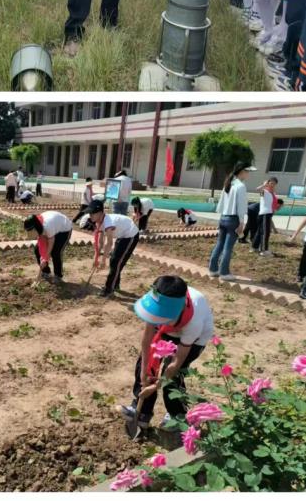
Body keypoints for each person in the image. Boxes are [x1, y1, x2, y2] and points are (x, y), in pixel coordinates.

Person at [123, 275, 214, 428]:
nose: (158, 316)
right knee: (145, 366)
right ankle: (142, 412)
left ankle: (177, 415)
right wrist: (144, 372)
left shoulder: (194, 322)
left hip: (193, 341)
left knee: (173, 379)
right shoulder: (157, 306)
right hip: (166, 330)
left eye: (163, 314)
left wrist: (156, 385)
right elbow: (147, 340)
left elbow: (176, 362)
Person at [208, 162, 252, 281]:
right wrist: (242, 222)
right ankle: (224, 272)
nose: (248, 174)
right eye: (247, 171)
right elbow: (241, 206)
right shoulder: (241, 186)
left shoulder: (228, 183)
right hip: (233, 219)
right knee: (228, 247)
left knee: (219, 244)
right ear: (242, 171)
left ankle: (213, 269)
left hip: (223, 217)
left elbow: (221, 203)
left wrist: (221, 217)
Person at [87, 202, 140, 297]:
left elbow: (109, 243)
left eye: (92, 213)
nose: (90, 215)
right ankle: (115, 284)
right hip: (122, 234)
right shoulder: (98, 221)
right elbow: (100, 242)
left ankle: (109, 289)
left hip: (130, 235)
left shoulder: (108, 222)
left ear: (100, 213)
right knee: (115, 261)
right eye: (89, 213)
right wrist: (96, 258)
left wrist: (103, 260)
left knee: (116, 262)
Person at [25, 211, 74, 284]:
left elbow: (51, 242)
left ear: (35, 228)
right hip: (54, 226)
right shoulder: (39, 226)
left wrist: (45, 258)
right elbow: (42, 244)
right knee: (37, 250)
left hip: (64, 229)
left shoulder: (47, 227)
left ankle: (58, 275)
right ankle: (46, 272)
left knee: (56, 252)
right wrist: (43, 257)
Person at [253, 177, 279, 256]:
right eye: (271, 183)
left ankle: (255, 247)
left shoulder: (272, 193)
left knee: (260, 231)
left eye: (274, 184)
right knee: (265, 232)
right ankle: (264, 250)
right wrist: (263, 185)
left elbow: (274, 203)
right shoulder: (264, 191)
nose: (272, 185)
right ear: (267, 183)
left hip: (267, 214)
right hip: (265, 214)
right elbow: (257, 189)